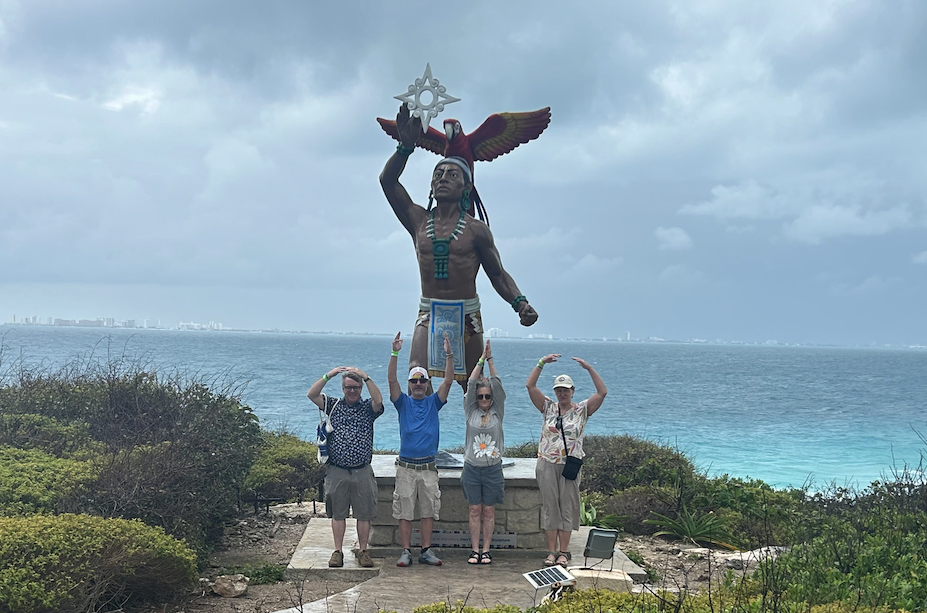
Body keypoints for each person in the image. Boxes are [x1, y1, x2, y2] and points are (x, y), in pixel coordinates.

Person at [379, 104, 538, 385]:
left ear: (466, 187)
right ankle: (421, 430)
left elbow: (497, 274)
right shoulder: (418, 220)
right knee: (418, 378)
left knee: (476, 388)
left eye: (452, 175)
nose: (442, 180)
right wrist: (405, 147)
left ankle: (481, 431)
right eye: (438, 176)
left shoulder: (477, 231)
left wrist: (520, 303)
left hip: (467, 314)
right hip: (429, 312)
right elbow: (388, 181)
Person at [526, 354, 607, 568]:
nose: (562, 393)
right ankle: (551, 552)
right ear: (555, 392)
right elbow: (530, 385)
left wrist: (589, 367)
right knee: (550, 507)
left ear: (572, 391)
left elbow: (602, 392)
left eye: (566, 389)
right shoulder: (548, 408)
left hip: (569, 466)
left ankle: (564, 552)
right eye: (559, 390)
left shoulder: (581, 410)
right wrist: (541, 363)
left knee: (567, 507)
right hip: (547, 464)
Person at [388, 330, 455, 566]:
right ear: (410, 384)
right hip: (406, 468)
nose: (418, 384)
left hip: (428, 467)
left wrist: (449, 356)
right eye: (414, 381)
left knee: (428, 511)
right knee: (405, 511)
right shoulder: (402, 403)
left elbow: (448, 381)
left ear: (427, 384)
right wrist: (395, 352)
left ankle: (426, 550)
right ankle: (406, 551)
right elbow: (392, 381)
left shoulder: (433, 403)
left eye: (422, 381)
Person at [307, 366, 384, 568]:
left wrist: (366, 377)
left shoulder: (368, 408)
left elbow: (379, 400)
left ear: (361, 388)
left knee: (364, 513)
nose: (352, 391)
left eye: (356, 387)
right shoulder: (333, 405)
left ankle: (363, 550)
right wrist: (329, 375)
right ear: (343, 388)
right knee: (338, 513)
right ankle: (337, 551)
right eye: (349, 387)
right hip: (337, 469)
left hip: (362, 469)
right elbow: (312, 394)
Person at [461, 339, 506, 564]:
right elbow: (470, 384)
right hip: (472, 469)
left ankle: (486, 550)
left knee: (488, 511)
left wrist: (490, 360)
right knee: (474, 510)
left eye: (488, 396)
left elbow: (496, 384)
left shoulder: (498, 411)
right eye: (481, 396)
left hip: (492, 470)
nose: (485, 399)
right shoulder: (470, 410)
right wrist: (480, 360)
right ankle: (474, 550)